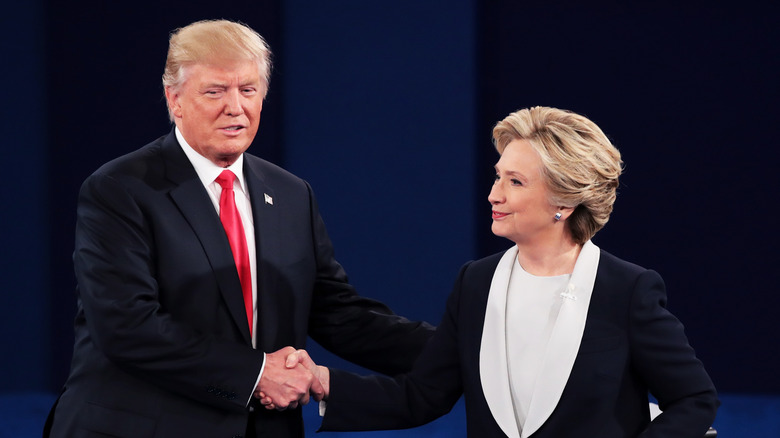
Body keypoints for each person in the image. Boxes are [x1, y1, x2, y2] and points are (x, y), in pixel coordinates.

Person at [43, 19, 433, 438]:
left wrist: (464, 348)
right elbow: (126, 326)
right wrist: (258, 374)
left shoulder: (289, 193)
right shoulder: (121, 189)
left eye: (248, 90)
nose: (235, 107)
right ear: (174, 99)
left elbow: (336, 313)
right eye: (215, 91)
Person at [286, 106, 719, 437]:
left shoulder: (626, 289)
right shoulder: (475, 281)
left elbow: (694, 399)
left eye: (515, 181)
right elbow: (422, 396)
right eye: (498, 176)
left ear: (564, 203)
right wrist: (323, 382)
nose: (494, 193)